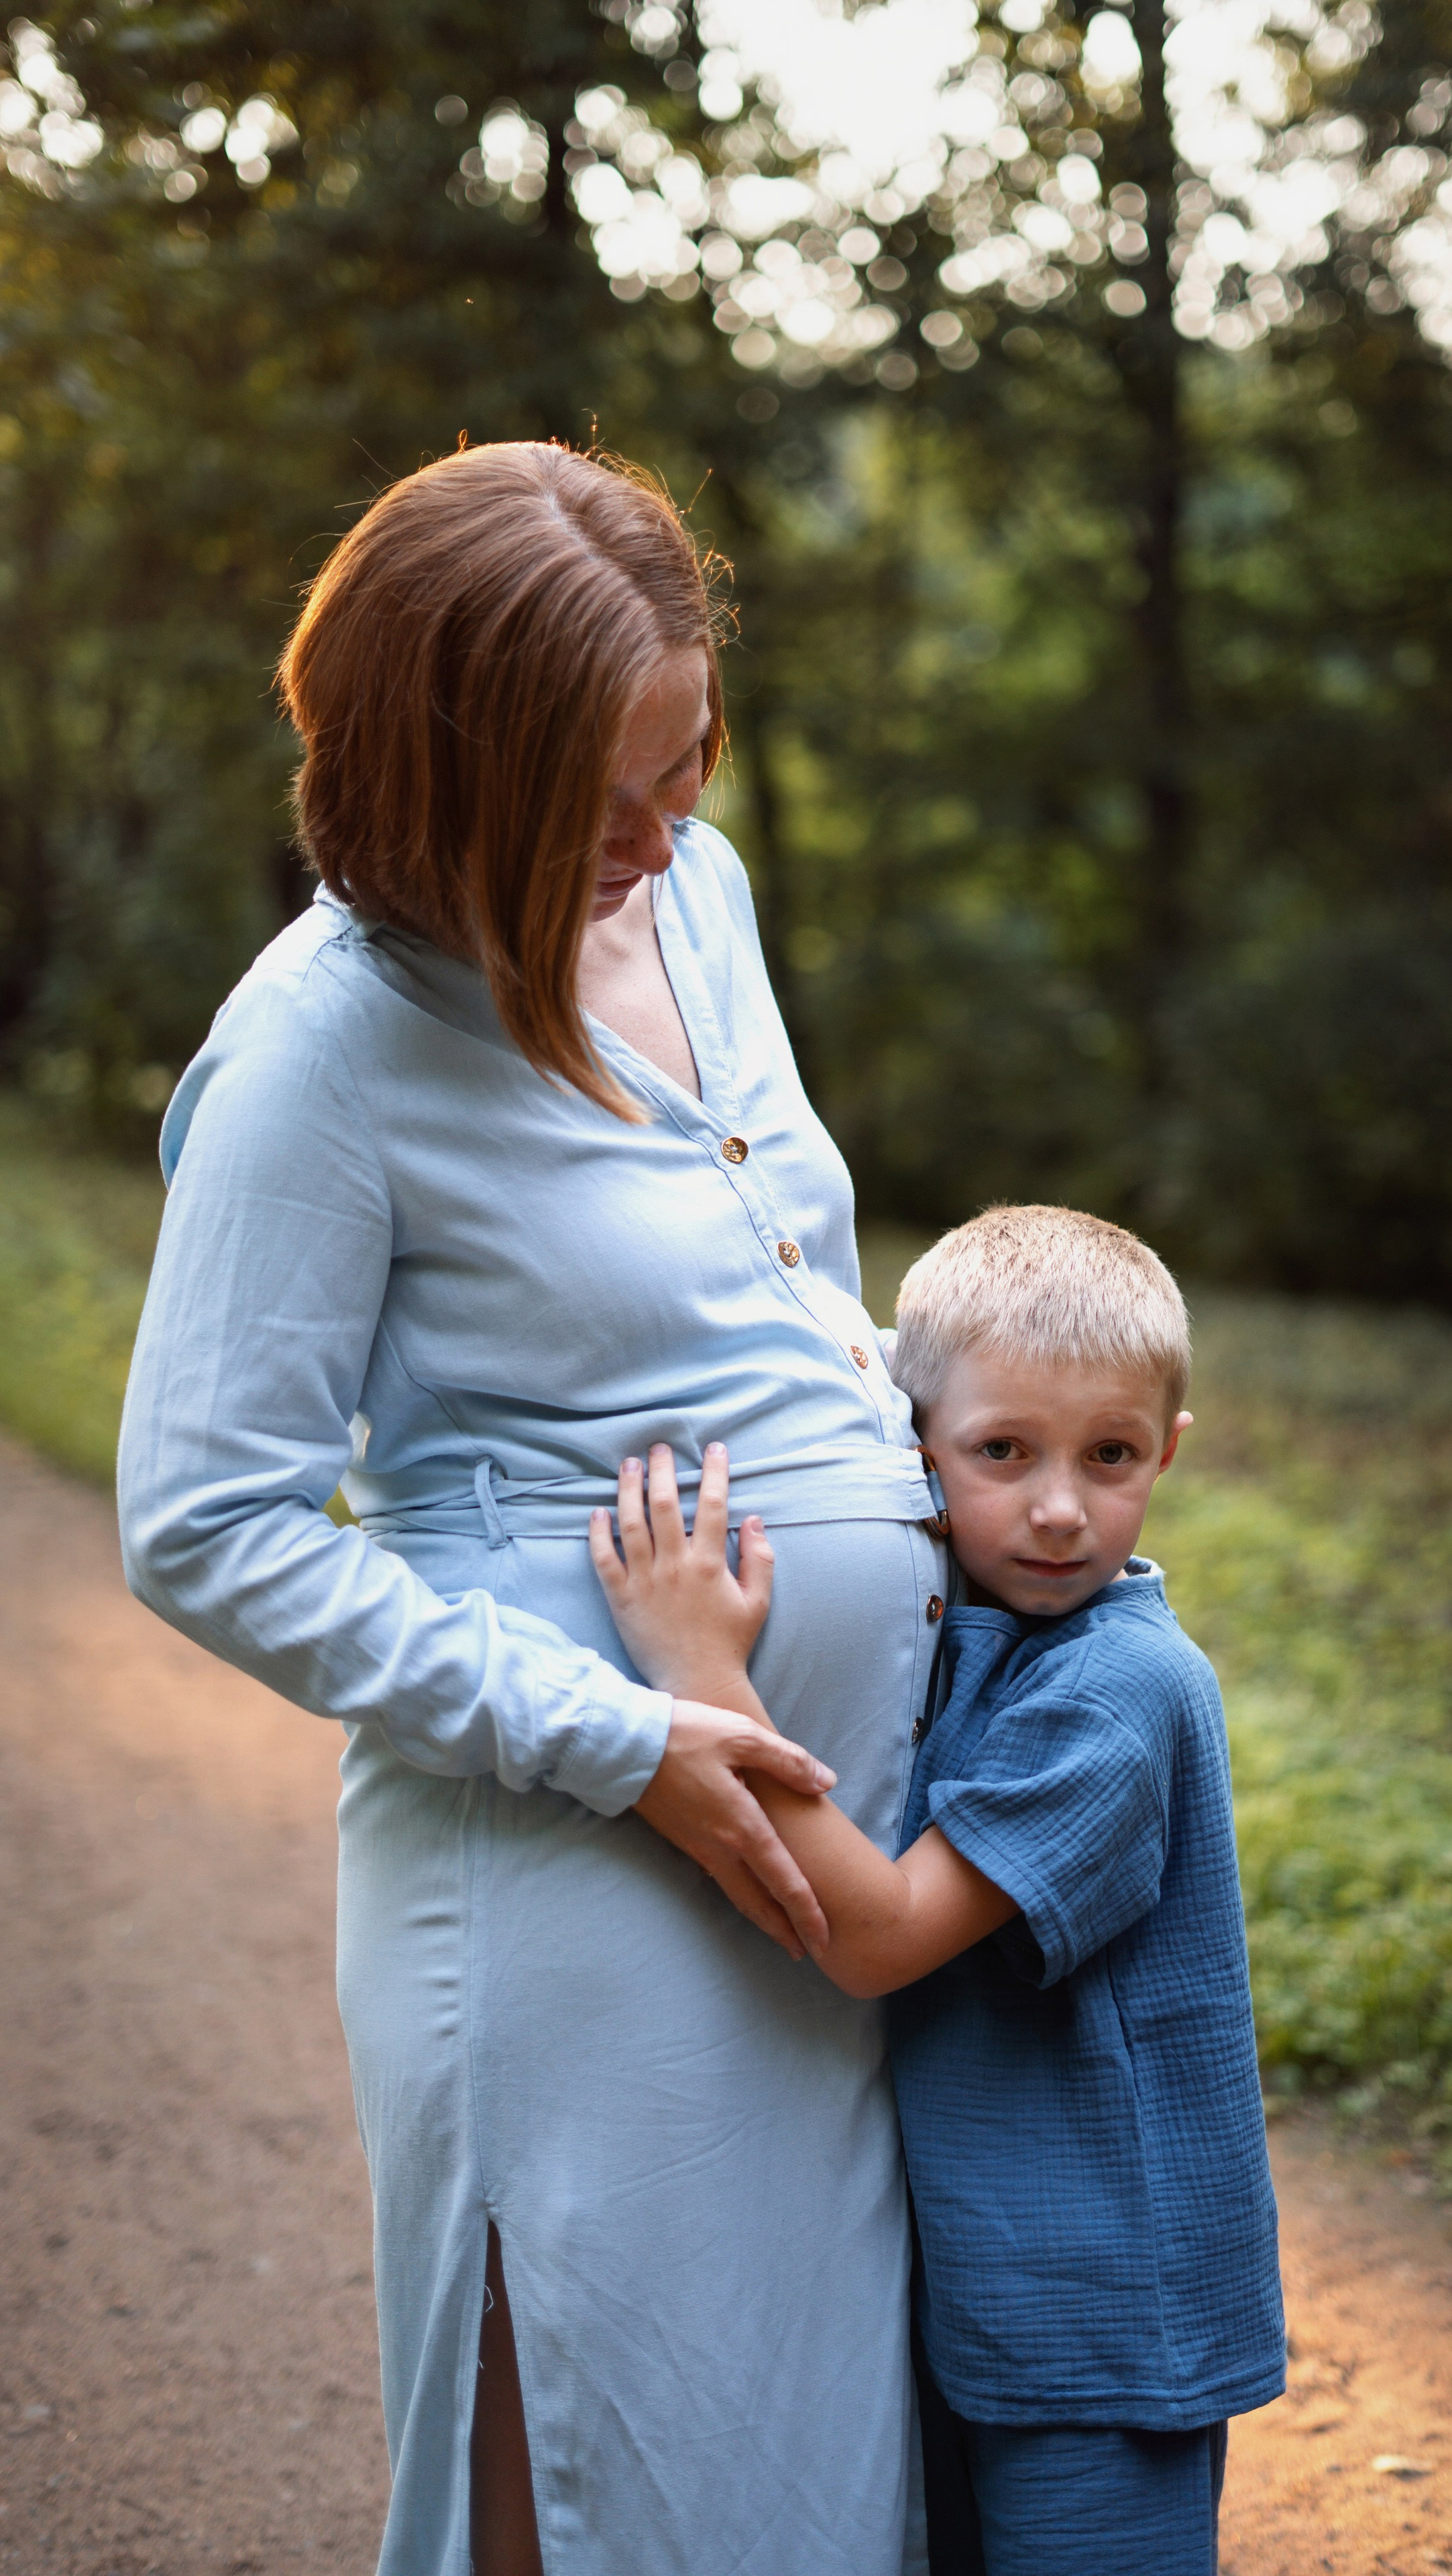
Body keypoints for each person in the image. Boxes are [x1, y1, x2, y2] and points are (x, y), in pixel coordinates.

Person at [116, 441, 949, 2576]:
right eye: (596, 799)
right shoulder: (320, 1052)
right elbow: (207, 1523)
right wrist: (618, 1740)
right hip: (573, 1867)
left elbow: (770, 1278)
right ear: (428, 770)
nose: (654, 836)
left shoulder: (703, 888)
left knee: (798, 2490)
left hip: (811, 1857)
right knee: (591, 2480)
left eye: (685, 767)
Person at [591, 1204, 1286, 2576]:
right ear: (915, 1448)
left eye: (1109, 1458)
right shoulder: (967, 1638)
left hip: (1097, 2320)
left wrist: (706, 1682)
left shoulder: (1117, 1690)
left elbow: (881, 1940)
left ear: (1168, 1454)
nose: (1055, 1507)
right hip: (973, 2294)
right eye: (999, 1453)